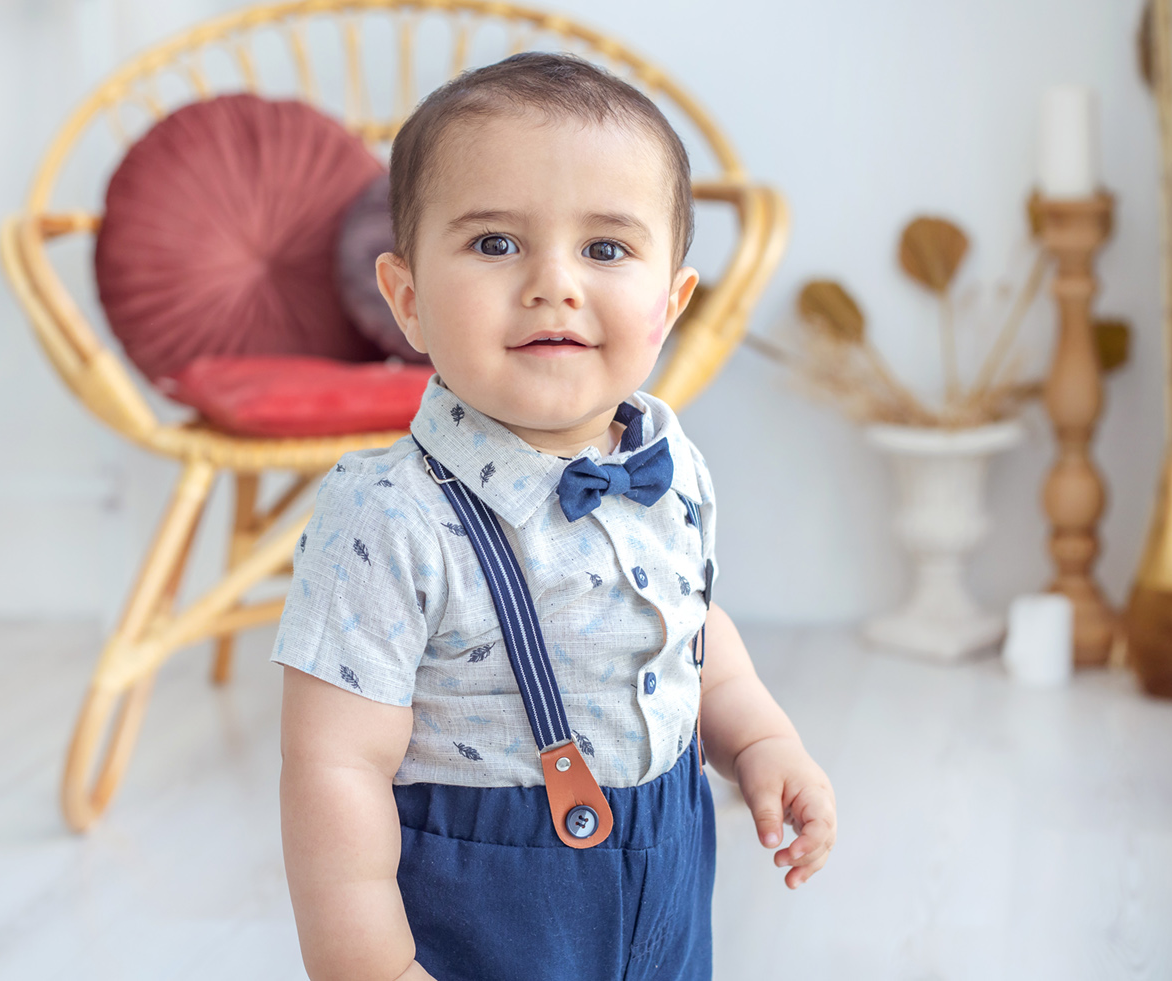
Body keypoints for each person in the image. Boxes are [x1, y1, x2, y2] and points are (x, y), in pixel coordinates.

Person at [274, 52, 836, 981]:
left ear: (670, 303)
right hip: (485, 912)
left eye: (605, 249)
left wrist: (761, 741)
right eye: (495, 243)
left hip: (667, 874)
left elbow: (694, 632)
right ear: (407, 298)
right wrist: (368, 965)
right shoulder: (387, 515)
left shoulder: (671, 469)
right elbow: (333, 766)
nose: (553, 283)